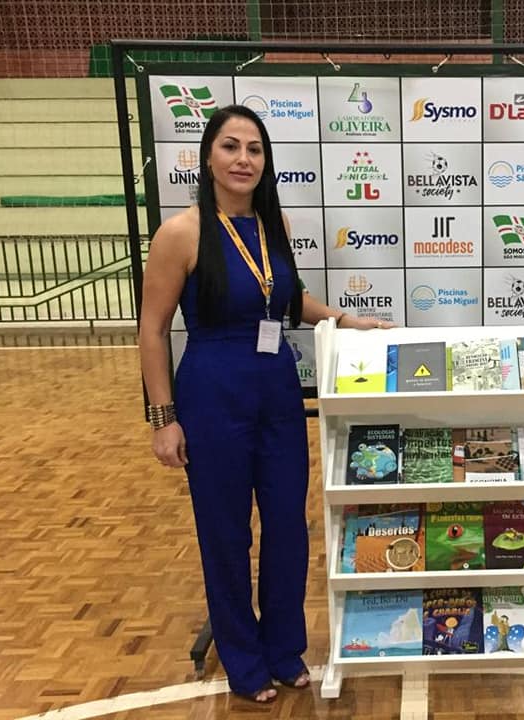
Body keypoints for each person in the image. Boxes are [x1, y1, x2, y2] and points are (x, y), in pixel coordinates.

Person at [138, 105, 383, 703]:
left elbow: (289, 301)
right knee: (225, 534)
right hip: (212, 393)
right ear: (207, 158)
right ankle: (243, 659)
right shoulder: (181, 233)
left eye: (254, 148)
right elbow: (151, 331)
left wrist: (345, 318)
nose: (243, 158)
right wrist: (163, 419)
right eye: (230, 146)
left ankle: (283, 648)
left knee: (286, 528)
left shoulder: (276, 226)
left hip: (277, 391)